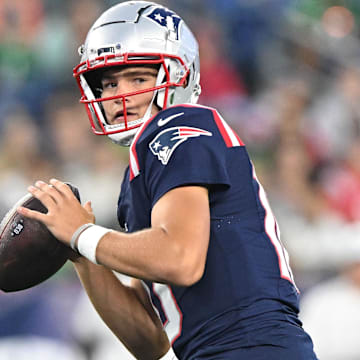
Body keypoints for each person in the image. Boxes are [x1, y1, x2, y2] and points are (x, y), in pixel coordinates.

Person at [17, 1, 318, 359]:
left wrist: (84, 234)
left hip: (251, 347)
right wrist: (80, 253)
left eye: (138, 78)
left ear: (179, 77)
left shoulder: (177, 126)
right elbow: (149, 341)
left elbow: (180, 257)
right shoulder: (139, 174)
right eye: (109, 83)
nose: (119, 95)